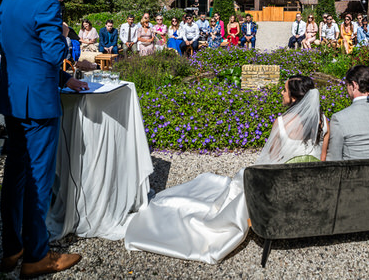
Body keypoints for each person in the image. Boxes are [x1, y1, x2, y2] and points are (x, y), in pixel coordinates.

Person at [124, 75, 328, 264]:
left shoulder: (282, 123)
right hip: (309, 187)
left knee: (240, 180)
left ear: (293, 98)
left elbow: (270, 161)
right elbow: (322, 160)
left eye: (284, 90)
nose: (281, 93)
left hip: (279, 190)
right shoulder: (325, 123)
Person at [0, 0, 86, 276]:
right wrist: (62, 34)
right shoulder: (47, 3)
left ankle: (12, 249)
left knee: (15, 175)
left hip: (12, 99)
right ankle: (37, 256)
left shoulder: (8, 0)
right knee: (39, 178)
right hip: (38, 105)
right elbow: (51, 54)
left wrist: (63, 81)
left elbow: (19, 53)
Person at [327, 65, 369, 161]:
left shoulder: (339, 118)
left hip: (354, 175)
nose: (346, 89)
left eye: (347, 85)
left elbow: (333, 160)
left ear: (354, 85)